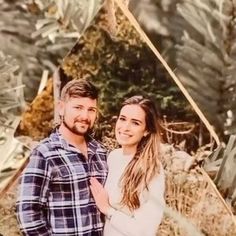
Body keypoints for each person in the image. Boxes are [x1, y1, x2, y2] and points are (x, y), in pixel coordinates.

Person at [16, 79, 108, 236]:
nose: (85, 116)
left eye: (91, 109)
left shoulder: (101, 152)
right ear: (61, 108)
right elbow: (28, 214)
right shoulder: (44, 153)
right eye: (78, 107)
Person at [90, 95, 165, 236]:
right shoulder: (113, 157)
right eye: (122, 119)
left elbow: (146, 231)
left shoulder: (152, 169)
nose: (125, 127)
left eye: (135, 123)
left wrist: (107, 209)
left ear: (147, 130)